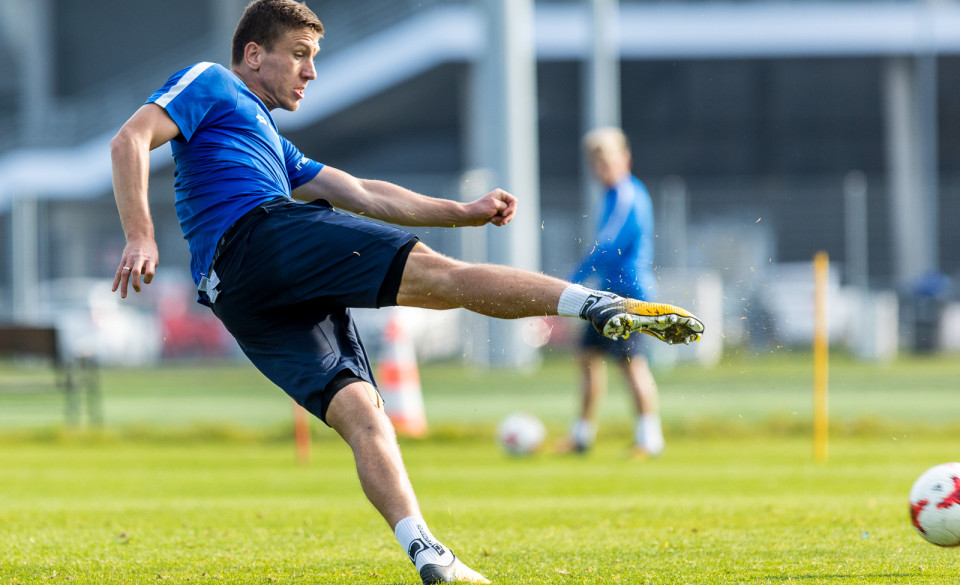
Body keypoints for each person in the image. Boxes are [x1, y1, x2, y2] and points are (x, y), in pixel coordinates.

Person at [109, 2, 703, 583]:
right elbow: (129, 140)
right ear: (254, 54)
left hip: (239, 295)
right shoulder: (213, 81)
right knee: (446, 279)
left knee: (363, 413)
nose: (311, 71)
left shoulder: (271, 141)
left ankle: (427, 553)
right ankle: (595, 303)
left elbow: (363, 193)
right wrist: (140, 234)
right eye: (300, 55)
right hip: (260, 237)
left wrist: (461, 211)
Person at [561, 127, 666, 457]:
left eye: (606, 161)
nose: (601, 169)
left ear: (625, 159)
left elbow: (609, 246)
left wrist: (573, 279)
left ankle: (650, 438)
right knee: (588, 358)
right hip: (608, 293)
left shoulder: (627, 194)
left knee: (631, 364)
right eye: (596, 162)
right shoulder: (610, 196)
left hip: (629, 294)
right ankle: (581, 436)